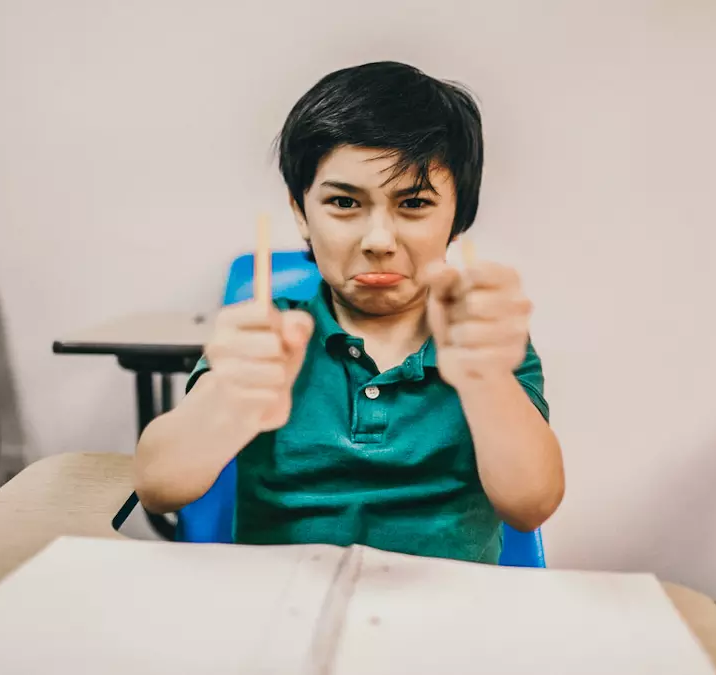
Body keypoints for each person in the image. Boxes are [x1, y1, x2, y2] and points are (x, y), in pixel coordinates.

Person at [134, 61, 564, 564]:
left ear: (458, 216)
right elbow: (159, 487)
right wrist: (227, 402)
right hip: (279, 614)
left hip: (444, 622)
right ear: (301, 211)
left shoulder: (481, 339)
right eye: (343, 202)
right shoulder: (269, 336)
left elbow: (531, 505)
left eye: (415, 203)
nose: (379, 240)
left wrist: (486, 382)